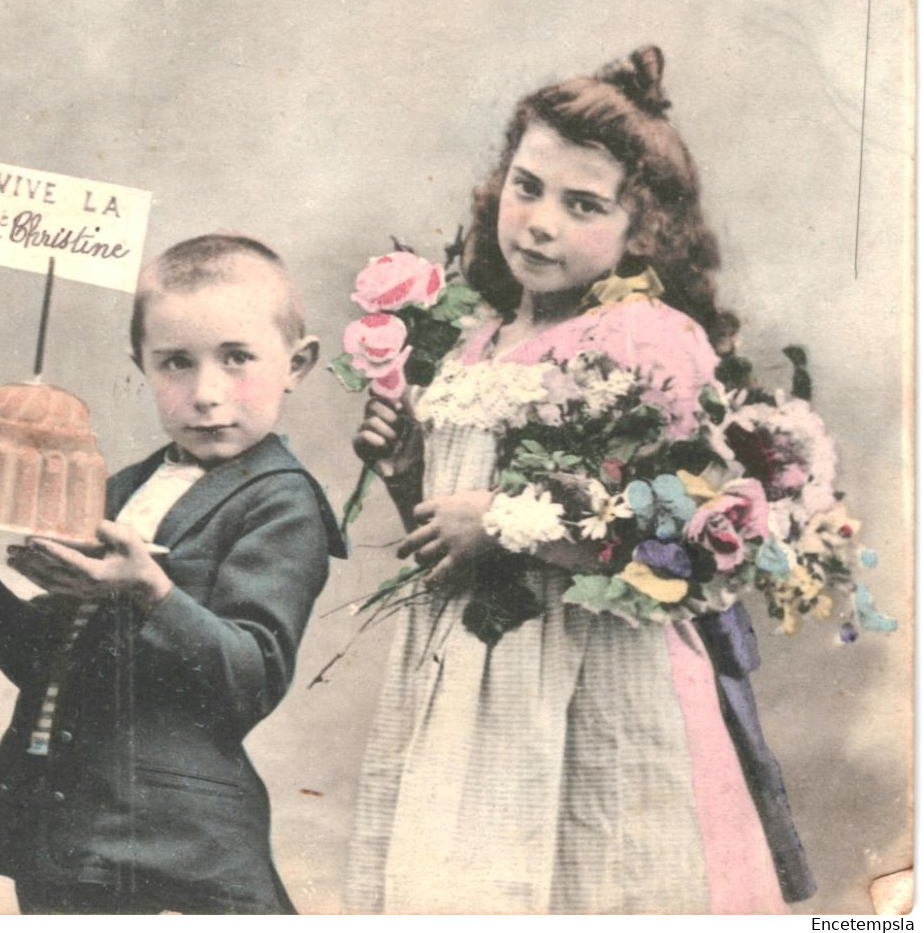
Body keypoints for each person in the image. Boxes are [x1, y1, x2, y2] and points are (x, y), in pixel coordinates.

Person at [341, 47, 812, 914]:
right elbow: (449, 529)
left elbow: (672, 525)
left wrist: (505, 522)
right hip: (471, 674)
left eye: (581, 205)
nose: (539, 223)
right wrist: (410, 470)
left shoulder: (642, 336)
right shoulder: (481, 334)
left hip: (589, 668)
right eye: (526, 187)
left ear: (644, 235)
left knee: (601, 875)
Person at [0, 235, 346, 913]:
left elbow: (251, 677)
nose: (206, 394)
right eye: (176, 363)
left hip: (171, 843)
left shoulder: (280, 501)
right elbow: (55, 658)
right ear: (141, 365)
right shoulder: (124, 486)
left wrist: (149, 591)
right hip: (62, 818)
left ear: (296, 363)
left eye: (236, 358)